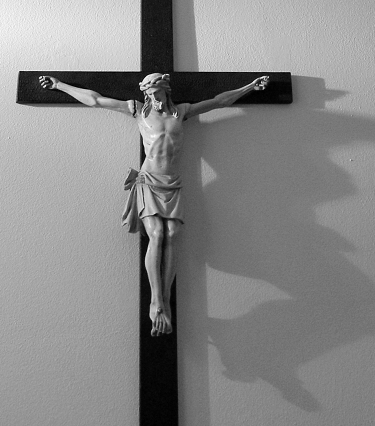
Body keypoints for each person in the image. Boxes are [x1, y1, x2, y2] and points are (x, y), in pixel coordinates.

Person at [39, 72, 269, 336]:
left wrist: (250, 87)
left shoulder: (182, 112)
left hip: (172, 182)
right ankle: (156, 301)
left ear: (165, 89)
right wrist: (59, 85)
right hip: (148, 180)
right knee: (157, 234)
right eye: (147, 92)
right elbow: (96, 100)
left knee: (172, 234)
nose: (151, 95)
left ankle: (165, 298)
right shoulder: (137, 110)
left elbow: (219, 101)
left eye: (154, 91)